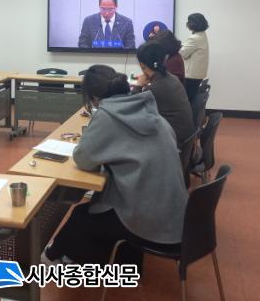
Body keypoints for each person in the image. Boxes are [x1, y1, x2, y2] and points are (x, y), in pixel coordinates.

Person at [42, 64, 187, 266]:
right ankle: (84, 258)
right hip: (176, 216)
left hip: (151, 222)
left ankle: (51, 258)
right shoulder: (147, 106)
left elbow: (83, 159)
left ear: (94, 97)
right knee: (97, 208)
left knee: (82, 215)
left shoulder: (108, 115)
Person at [135, 41, 194, 144]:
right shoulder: (173, 78)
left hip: (173, 142)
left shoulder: (153, 89)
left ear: (142, 65)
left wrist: (138, 86)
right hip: (186, 139)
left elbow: (134, 110)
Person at [181, 13, 210, 101]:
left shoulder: (194, 38)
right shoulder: (202, 35)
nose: (187, 24)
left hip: (191, 76)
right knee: (191, 97)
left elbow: (182, 54)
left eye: (189, 21)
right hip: (198, 74)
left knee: (186, 99)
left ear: (194, 24)